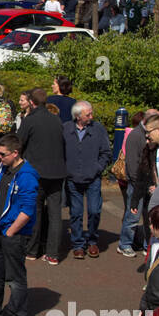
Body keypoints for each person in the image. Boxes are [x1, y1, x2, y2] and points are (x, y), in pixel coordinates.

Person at [0, 133, 39, 316]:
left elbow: (27, 211)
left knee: (15, 278)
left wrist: (11, 232)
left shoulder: (27, 176)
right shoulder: (5, 169)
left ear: (15, 153)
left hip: (12, 234)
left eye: (2, 154)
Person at [19, 88, 67, 265]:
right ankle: (53, 254)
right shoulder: (56, 120)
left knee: (35, 211)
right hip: (57, 172)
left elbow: (19, 143)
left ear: (31, 102)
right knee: (55, 214)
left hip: (36, 172)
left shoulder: (30, 120)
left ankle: (32, 250)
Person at [63, 101, 111, 259]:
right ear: (77, 117)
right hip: (73, 178)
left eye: (91, 113)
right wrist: (66, 169)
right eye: (87, 114)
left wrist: (97, 168)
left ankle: (92, 241)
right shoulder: (66, 129)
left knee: (94, 211)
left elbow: (106, 152)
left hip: (93, 178)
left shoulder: (97, 129)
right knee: (76, 213)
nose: (91, 116)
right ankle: (78, 244)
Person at [117, 109, 158, 257]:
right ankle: (125, 243)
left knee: (149, 216)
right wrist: (137, 182)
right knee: (133, 215)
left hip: (150, 182)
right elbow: (132, 163)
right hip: (137, 183)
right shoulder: (135, 135)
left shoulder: (152, 134)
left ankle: (148, 243)